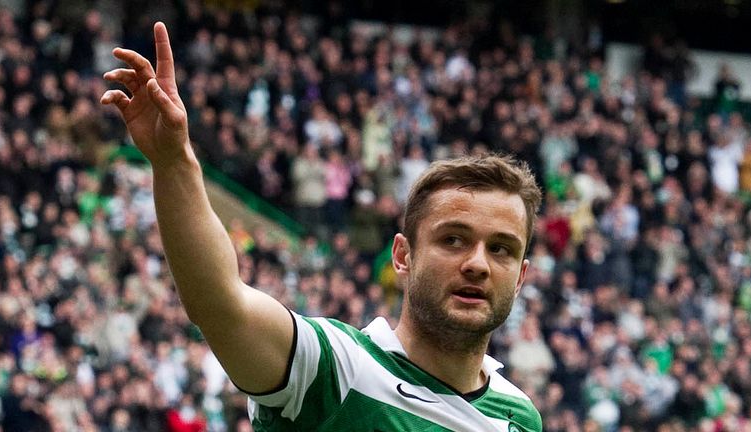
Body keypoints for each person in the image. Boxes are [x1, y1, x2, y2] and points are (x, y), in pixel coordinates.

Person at [101, 22, 543, 431]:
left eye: (502, 249)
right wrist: (174, 162)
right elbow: (220, 303)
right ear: (403, 256)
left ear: (521, 276)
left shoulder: (520, 416)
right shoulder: (333, 369)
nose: (478, 264)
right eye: (453, 239)